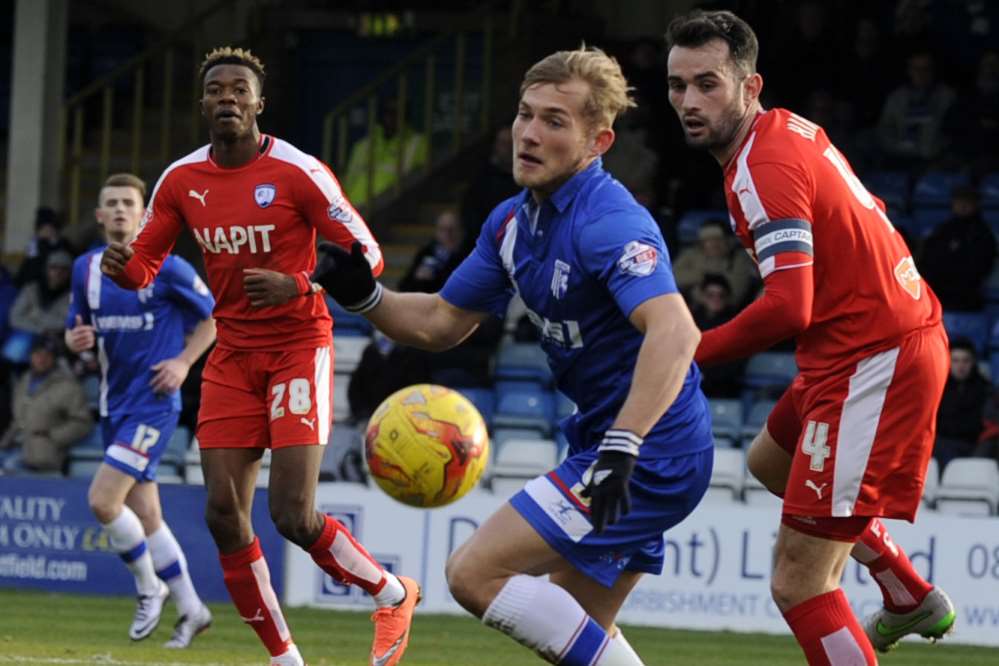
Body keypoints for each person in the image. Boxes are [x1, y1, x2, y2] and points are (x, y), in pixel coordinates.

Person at [315, 46, 713, 666]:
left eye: (555, 121)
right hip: (611, 441)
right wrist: (363, 293)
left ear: (598, 140)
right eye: (525, 114)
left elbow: (676, 332)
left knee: (473, 575)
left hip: (649, 449)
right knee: (578, 635)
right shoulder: (511, 223)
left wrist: (624, 445)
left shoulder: (608, 222)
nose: (528, 133)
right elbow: (442, 322)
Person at [98, 47, 419, 666]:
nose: (227, 98)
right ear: (203, 104)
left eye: (239, 90)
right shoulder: (181, 180)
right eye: (216, 90)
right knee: (223, 514)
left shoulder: (299, 172)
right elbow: (145, 267)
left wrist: (301, 285)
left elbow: (369, 258)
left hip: (298, 348)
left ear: (258, 104)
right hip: (231, 356)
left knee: (293, 515)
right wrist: (122, 270)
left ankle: (390, 591)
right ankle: (284, 659)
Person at [666, 10, 955, 663]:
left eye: (706, 84)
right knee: (770, 462)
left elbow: (787, 307)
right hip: (862, 345)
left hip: (872, 359)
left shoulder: (760, 166)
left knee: (797, 583)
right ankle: (906, 594)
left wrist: (687, 354)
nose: (687, 101)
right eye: (676, 85)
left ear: (749, 85)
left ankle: (900, 597)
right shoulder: (783, 131)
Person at [64, 173, 217, 647]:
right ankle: (192, 607)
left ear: (143, 213)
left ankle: (149, 588)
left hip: (154, 404)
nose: (119, 210)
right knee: (147, 516)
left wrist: (183, 362)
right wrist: (76, 340)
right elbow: (77, 329)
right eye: (110, 203)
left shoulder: (167, 268)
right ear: (99, 215)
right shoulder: (86, 269)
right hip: (114, 404)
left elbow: (216, 317)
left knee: (102, 501)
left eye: (128, 203)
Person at [0, 335, 92, 473]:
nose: (41, 359)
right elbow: (19, 419)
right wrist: (5, 442)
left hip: (44, 458)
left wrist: (52, 436)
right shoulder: (24, 381)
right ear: (31, 356)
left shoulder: (68, 386)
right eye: (37, 354)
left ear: (54, 358)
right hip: (15, 449)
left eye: (47, 355)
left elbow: (83, 423)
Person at [918, 187, 996, 312]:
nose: (963, 205)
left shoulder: (982, 233)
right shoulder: (944, 229)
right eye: (959, 201)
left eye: (967, 202)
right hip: (938, 295)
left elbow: (982, 265)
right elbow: (928, 257)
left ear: (976, 205)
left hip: (967, 297)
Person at [343, 97, 428, 207]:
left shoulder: (418, 144)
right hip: (355, 209)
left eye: (397, 112)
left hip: (390, 207)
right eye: (388, 112)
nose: (391, 117)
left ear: (406, 116)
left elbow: (420, 182)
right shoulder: (363, 145)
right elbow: (349, 180)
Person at [877, 51, 955, 170]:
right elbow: (885, 129)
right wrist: (896, 147)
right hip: (898, 158)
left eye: (926, 69)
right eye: (916, 69)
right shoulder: (897, 97)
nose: (921, 74)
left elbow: (951, 132)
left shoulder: (947, 96)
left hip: (934, 161)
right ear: (909, 70)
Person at [932, 337, 990, 471]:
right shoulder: (938, 388)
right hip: (940, 444)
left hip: (972, 445)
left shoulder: (985, 390)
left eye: (965, 361)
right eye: (956, 360)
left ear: (973, 362)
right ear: (948, 361)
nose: (961, 366)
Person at [672, 219, 757, 306]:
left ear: (728, 241)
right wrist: (703, 276)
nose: (713, 244)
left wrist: (699, 288)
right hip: (693, 309)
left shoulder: (739, 257)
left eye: (718, 239)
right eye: (708, 240)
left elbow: (735, 294)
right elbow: (673, 278)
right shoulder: (691, 254)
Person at [689, 274, 744, 398]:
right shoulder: (690, 321)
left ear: (728, 298)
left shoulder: (736, 323)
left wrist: (706, 376)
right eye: (710, 295)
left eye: (721, 295)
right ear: (702, 296)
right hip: (691, 384)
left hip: (723, 388)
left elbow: (735, 361)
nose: (716, 299)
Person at [398, 208, 465, 294]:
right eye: (442, 229)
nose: (447, 235)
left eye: (451, 230)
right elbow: (403, 286)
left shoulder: (468, 256)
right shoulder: (426, 252)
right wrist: (417, 278)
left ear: (461, 231)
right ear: (436, 232)